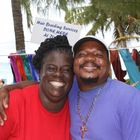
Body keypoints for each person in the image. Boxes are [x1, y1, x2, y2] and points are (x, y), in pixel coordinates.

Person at [0, 35, 140, 140]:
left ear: (108, 63)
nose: (90, 59)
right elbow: (45, 83)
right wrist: (9, 88)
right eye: (82, 54)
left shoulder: (130, 98)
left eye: (98, 54)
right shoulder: (68, 91)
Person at [0, 35, 73, 140]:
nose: (58, 74)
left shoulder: (76, 106)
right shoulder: (10, 104)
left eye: (66, 70)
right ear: (40, 71)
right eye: (51, 69)